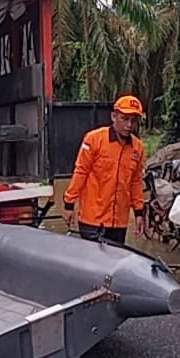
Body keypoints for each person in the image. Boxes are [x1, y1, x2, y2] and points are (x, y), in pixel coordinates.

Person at [62, 95, 146, 245]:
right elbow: (81, 172)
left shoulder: (137, 148)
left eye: (133, 121)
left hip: (119, 222)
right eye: (124, 119)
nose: (129, 125)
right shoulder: (94, 140)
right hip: (92, 220)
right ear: (114, 116)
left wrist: (139, 213)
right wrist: (69, 204)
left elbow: (135, 182)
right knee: (92, 264)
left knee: (114, 262)